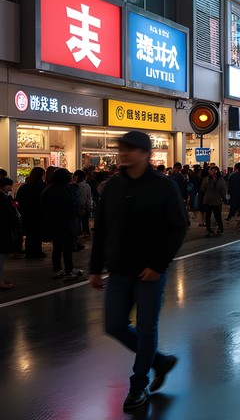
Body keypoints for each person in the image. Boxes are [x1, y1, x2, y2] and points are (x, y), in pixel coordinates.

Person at [88, 131, 188, 412]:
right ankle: (160, 361)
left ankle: (138, 384)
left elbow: (178, 227)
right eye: (122, 148)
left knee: (146, 329)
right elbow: (103, 228)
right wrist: (95, 267)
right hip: (119, 270)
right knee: (114, 325)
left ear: (146, 154)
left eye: (131, 149)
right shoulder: (113, 187)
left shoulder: (164, 186)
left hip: (150, 272)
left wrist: (158, 265)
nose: (124, 153)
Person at [41, 168, 82, 280]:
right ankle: (69, 270)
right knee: (67, 248)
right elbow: (70, 207)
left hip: (53, 222)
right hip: (66, 223)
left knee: (57, 248)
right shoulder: (66, 190)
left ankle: (57, 270)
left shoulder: (49, 189)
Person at [16, 166, 47, 259]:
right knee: (38, 233)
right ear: (42, 175)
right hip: (39, 213)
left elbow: (18, 200)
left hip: (27, 213)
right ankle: (37, 251)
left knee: (30, 234)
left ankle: (30, 251)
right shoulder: (43, 186)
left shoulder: (24, 186)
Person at [0, 177, 18, 290]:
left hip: (4, 229)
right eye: (9, 185)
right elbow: (6, 215)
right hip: (2, 230)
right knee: (1, 256)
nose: (11, 188)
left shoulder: (6, 197)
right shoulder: (2, 199)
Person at [199, 166, 227, 236]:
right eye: (211, 170)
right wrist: (223, 197)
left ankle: (211, 229)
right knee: (214, 215)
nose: (213, 172)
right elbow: (224, 190)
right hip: (213, 200)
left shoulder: (207, 179)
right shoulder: (219, 180)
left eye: (213, 170)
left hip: (210, 199)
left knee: (212, 215)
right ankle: (217, 228)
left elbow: (202, 189)